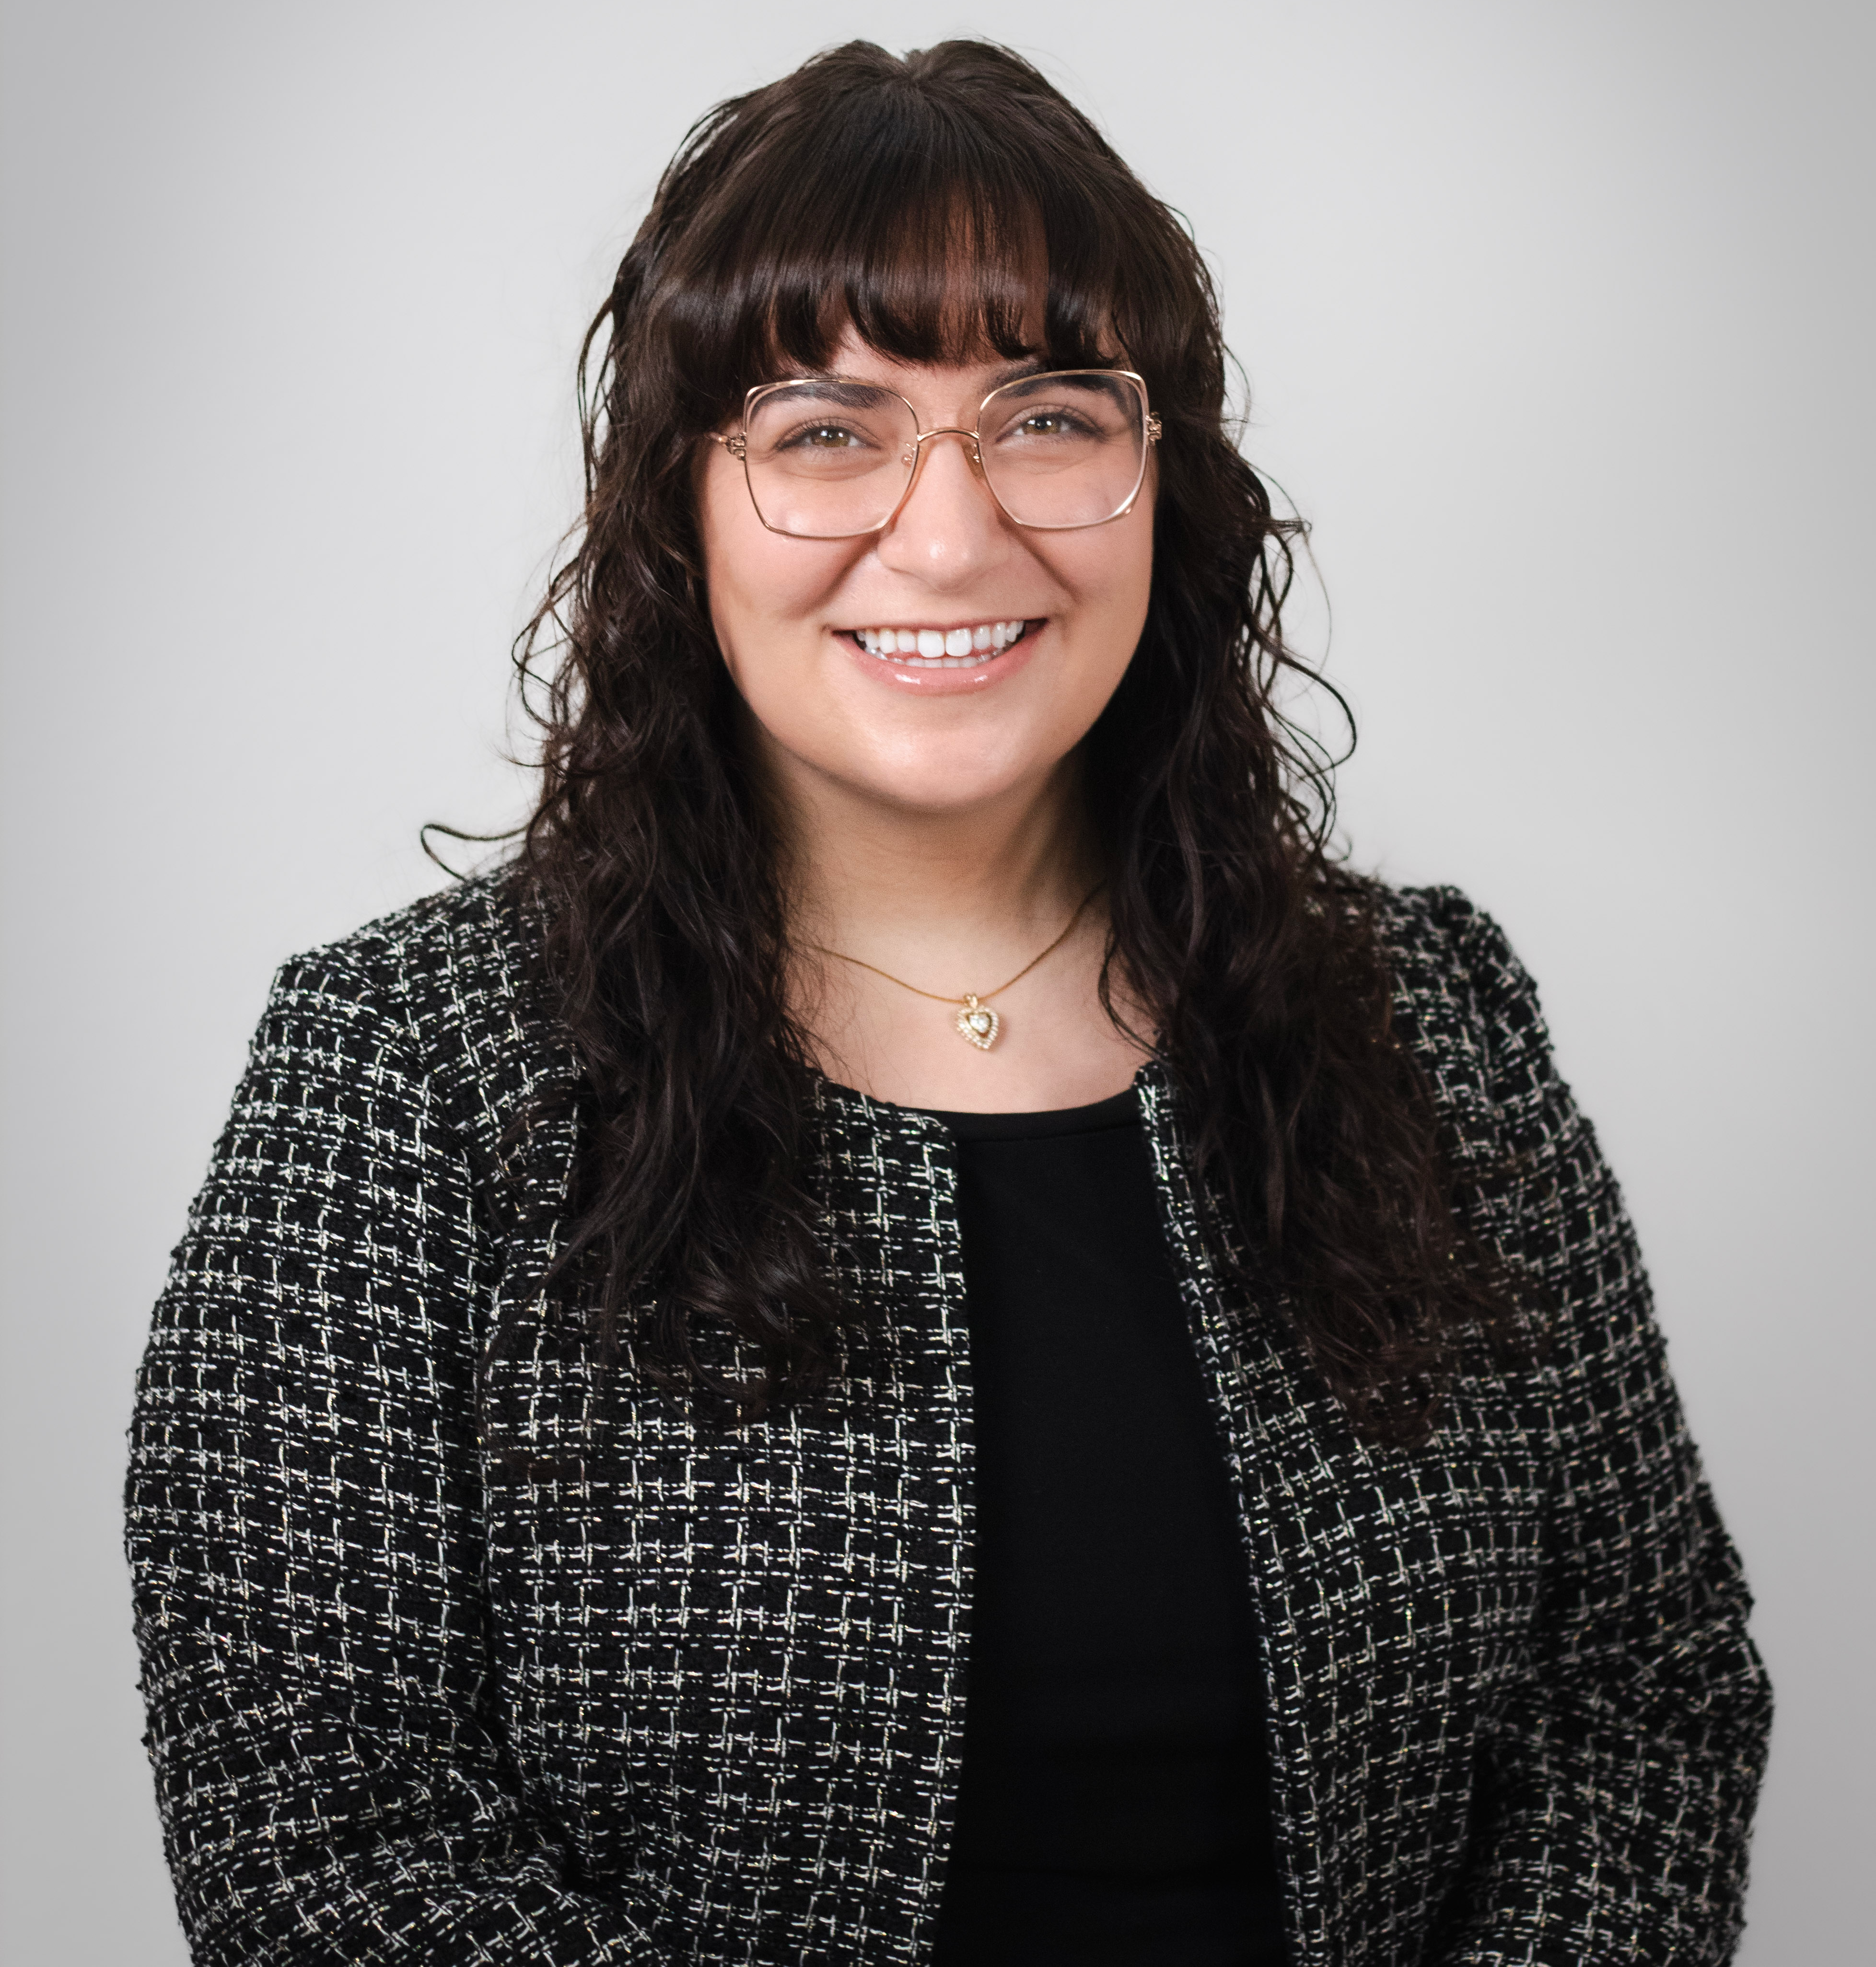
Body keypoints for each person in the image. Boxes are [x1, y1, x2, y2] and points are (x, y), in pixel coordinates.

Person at [124, 38, 1771, 1967]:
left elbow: (1644, 1692)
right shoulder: (404, 1077)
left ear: (1168, 479)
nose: (951, 533)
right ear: (682, 509)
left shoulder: (1430, 1017)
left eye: (1047, 416)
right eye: (828, 425)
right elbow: (321, 1834)